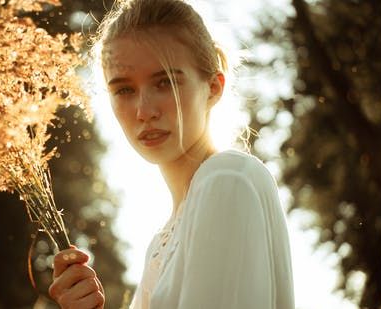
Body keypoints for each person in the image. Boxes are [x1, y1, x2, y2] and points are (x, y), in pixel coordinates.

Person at [48, 0, 295, 308]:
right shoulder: (160, 241)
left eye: (165, 82)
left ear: (214, 87)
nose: (144, 111)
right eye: (124, 90)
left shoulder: (226, 179)